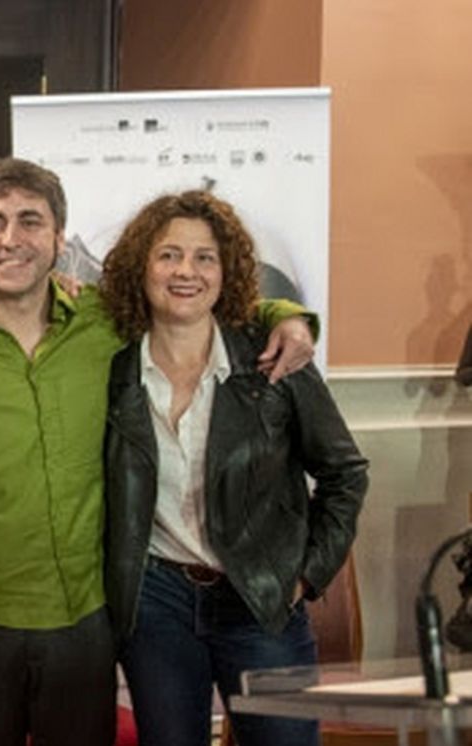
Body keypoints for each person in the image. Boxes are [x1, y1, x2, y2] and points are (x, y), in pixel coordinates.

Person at [0, 157, 317, 746]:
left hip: (84, 615)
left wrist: (290, 316)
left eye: (31, 221)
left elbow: (201, 303)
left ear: (58, 239)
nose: (12, 239)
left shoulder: (106, 323)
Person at [99, 190, 368, 745]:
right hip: (158, 603)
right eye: (168, 255)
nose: (186, 272)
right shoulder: (113, 369)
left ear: (228, 272)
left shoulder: (273, 359)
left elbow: (345, 474)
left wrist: (305, 575)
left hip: (262, 600)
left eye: (205, 257)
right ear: (141, 267)